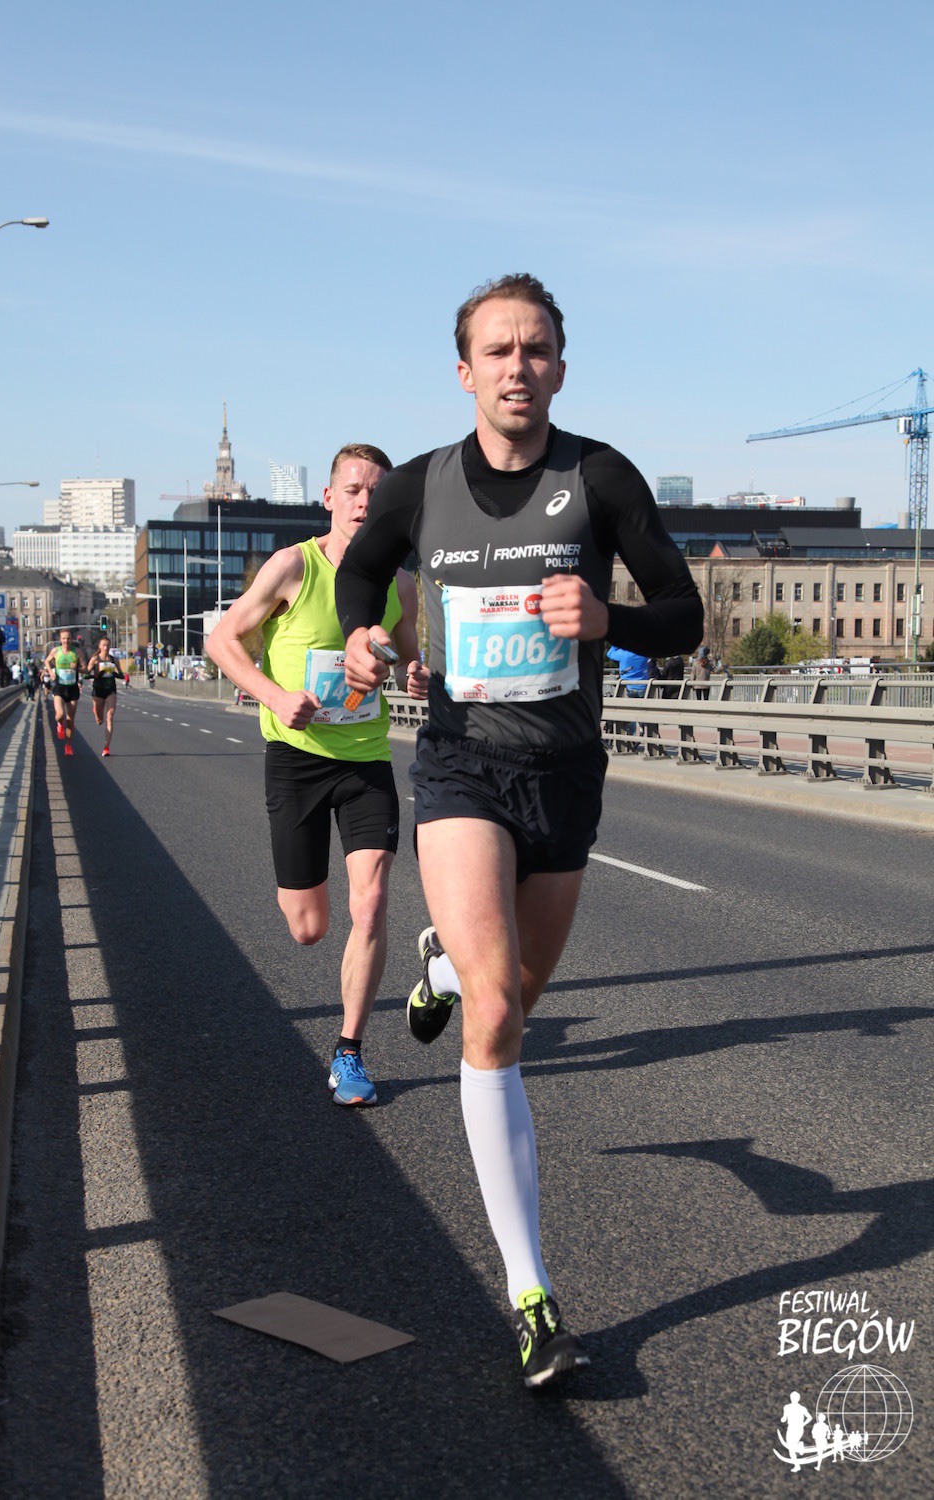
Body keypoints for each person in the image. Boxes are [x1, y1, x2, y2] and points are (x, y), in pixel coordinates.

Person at [336, 274, 703, 1387]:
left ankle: (442, 960)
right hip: (460, 764)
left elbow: (682, 615)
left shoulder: (599, 477)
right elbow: (362, 571)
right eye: (497, 351)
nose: (516, 367)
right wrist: (360, 636)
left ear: (560, 367)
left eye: (535, 349)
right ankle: (532, 1294)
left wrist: (608, 617)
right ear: (464, 372)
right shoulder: (419, 485)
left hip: (565, 774)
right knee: (496, 1018)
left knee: (515, 996)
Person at [207, 444, 429, 1107]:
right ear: (329, 498)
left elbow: (409, 658)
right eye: (353, 490)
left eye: (376, 493)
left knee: (372, 903)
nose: (364, 502)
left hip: (365, 760)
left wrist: (417, 674)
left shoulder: (401, 584)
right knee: (308, 927)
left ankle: (350, 1051)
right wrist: (275, 697)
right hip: (296, 760)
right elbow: (222, 640)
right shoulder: (292, 567)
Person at [44, 629, 89, 755]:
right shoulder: (55, 651)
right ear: (60, 640)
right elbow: (46, 661)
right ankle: (59, 724)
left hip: (72, 688)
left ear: (71, 639)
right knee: (60, 715)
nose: (66, 641)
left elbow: (86, 669)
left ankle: (68, 745)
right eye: (64, 638)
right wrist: (51, 672)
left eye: (68, 638)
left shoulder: (77, 652)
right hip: (59, 687)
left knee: (70, 720)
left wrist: (78, 668)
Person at [86, 635, 130, 756]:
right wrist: (97, 675)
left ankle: (106, 747)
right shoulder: (95, 659)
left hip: (111, 690)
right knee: (100, 720)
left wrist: (115, 674)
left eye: (108, 645)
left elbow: (121, 675)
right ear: (100, 646)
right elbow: (86, 674)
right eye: (104, 645)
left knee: (109, 716)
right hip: (98, 690)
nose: (106, 647)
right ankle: (96, 712)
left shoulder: (113, 660)